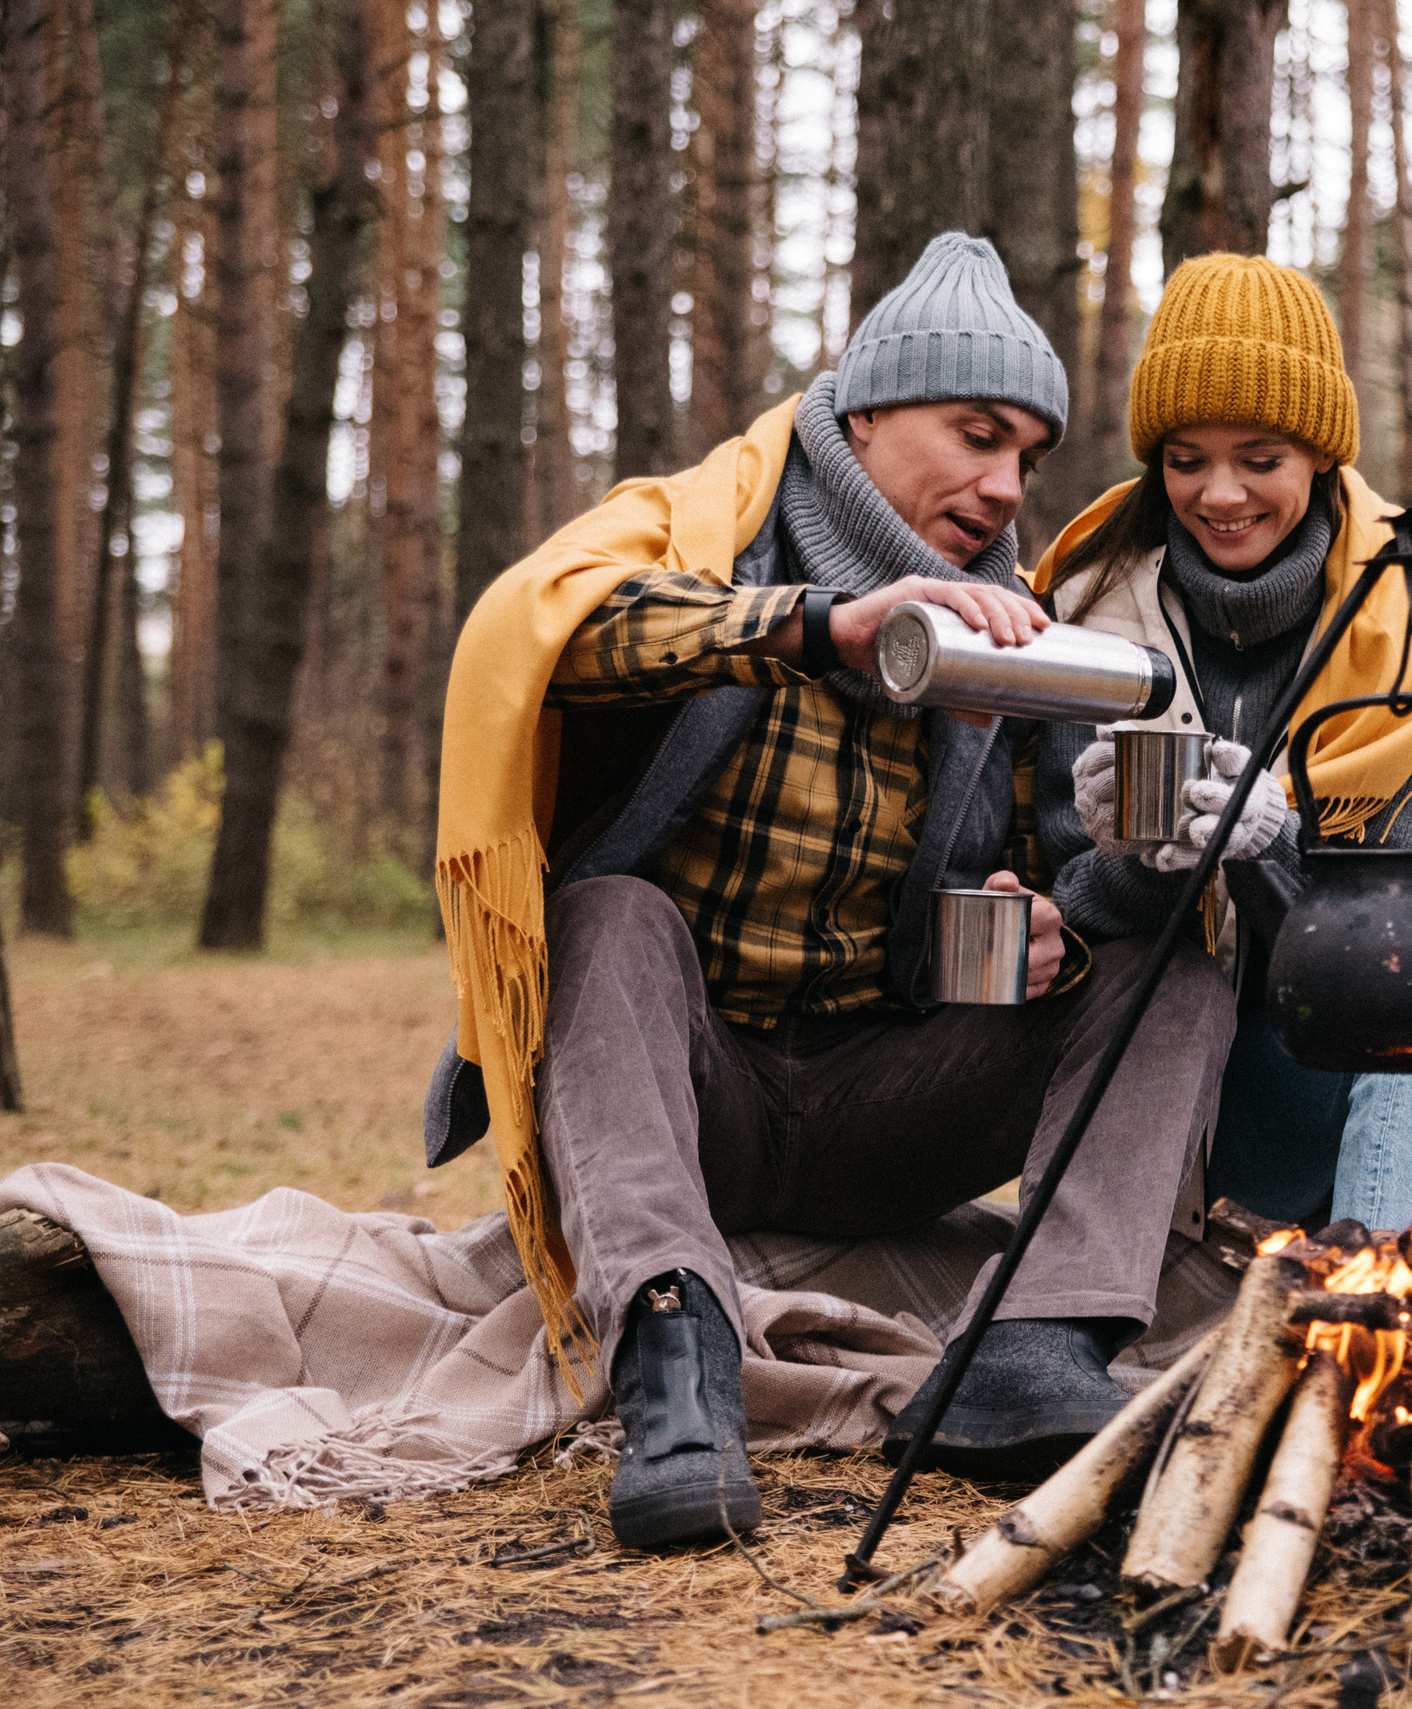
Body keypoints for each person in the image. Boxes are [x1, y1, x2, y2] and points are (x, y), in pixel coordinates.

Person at [426, 234, 1235, 1549]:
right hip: (693, 1102)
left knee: (1174, 963)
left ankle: (1029, 1344)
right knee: (606, 911)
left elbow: (1069, 880)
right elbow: (551, 633)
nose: (1002, 484)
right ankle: (676, 1358)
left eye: (1026, 455)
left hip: (887, 1104)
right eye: (976, 434)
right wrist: (816, 626)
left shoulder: (1010, 632)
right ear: (862, 412)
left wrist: (1080, 905)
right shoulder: (705, 535)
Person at [1031, 253, 1412, 1239]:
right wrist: (1138, 861)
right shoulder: (1090, 612)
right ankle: (1381, 1306)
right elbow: (1070, 916)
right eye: (1185, 459)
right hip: (1209, 1078)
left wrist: (1275, 838)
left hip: (1391, 1046)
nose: (1219, 493)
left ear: (1319, 452)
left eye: (1258, 458)